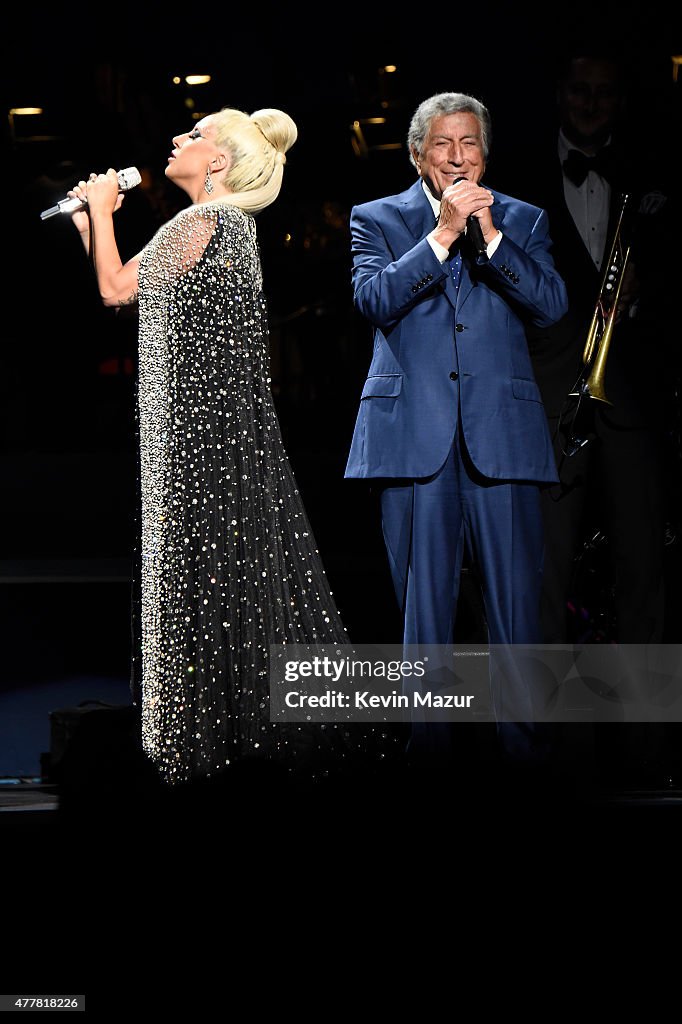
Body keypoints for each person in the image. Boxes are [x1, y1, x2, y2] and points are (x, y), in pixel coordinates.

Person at [67, 107, 368, 786]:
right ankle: (235, 746)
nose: (177, 139)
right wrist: (93, 221)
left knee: (203, 588)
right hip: (216, 441)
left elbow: (117, 287)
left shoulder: (201, 221)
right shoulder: (223, 226)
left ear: (219, 163)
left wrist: (104, 214)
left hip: (199, 446)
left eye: (195, 135)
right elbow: (123, 295)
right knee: (229, 583)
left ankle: (203, 754)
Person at [345, 92, 568, 764]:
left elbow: (551, 306)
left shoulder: (523, 220)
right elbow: (374, 299)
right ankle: (430, 762)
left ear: (485, 153)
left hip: (502, 441)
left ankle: (525, 763)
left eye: (468, 143)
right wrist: (442, 234)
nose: (456, 156)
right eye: (442, 144)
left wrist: (491, 237)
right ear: (418, 154)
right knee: (423, 623)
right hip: (415, 441)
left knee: (517, 621)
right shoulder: (376, 218)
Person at [519, 53, 669, 647]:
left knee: (643, 565)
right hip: (550, 401)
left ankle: (646, 726)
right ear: (560, 93)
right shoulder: (519, 177)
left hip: (632, 400)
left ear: (620, 102)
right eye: (579, 89)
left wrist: (646, 287)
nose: (590, 103)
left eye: (603, 93)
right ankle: (541, 723)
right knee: (544, 568)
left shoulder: (651, 171)